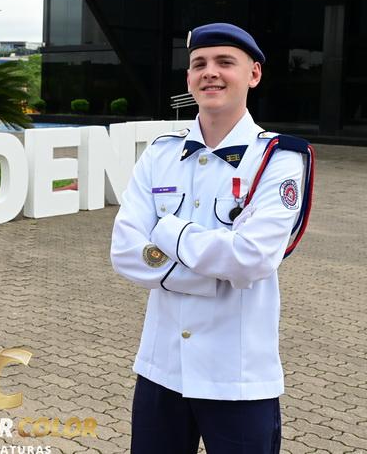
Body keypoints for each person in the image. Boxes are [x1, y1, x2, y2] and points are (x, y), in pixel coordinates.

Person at [111, 23, 312, 453]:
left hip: (238, 377)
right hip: (162, 369)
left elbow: (252, 259)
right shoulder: (160, 154)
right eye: (199, 63)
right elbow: (125, 251)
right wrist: (216, 273)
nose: (210, 72)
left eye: (225, 62)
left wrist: (167, 230)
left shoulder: (278, 159)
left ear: (253, 74)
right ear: (188, 78)